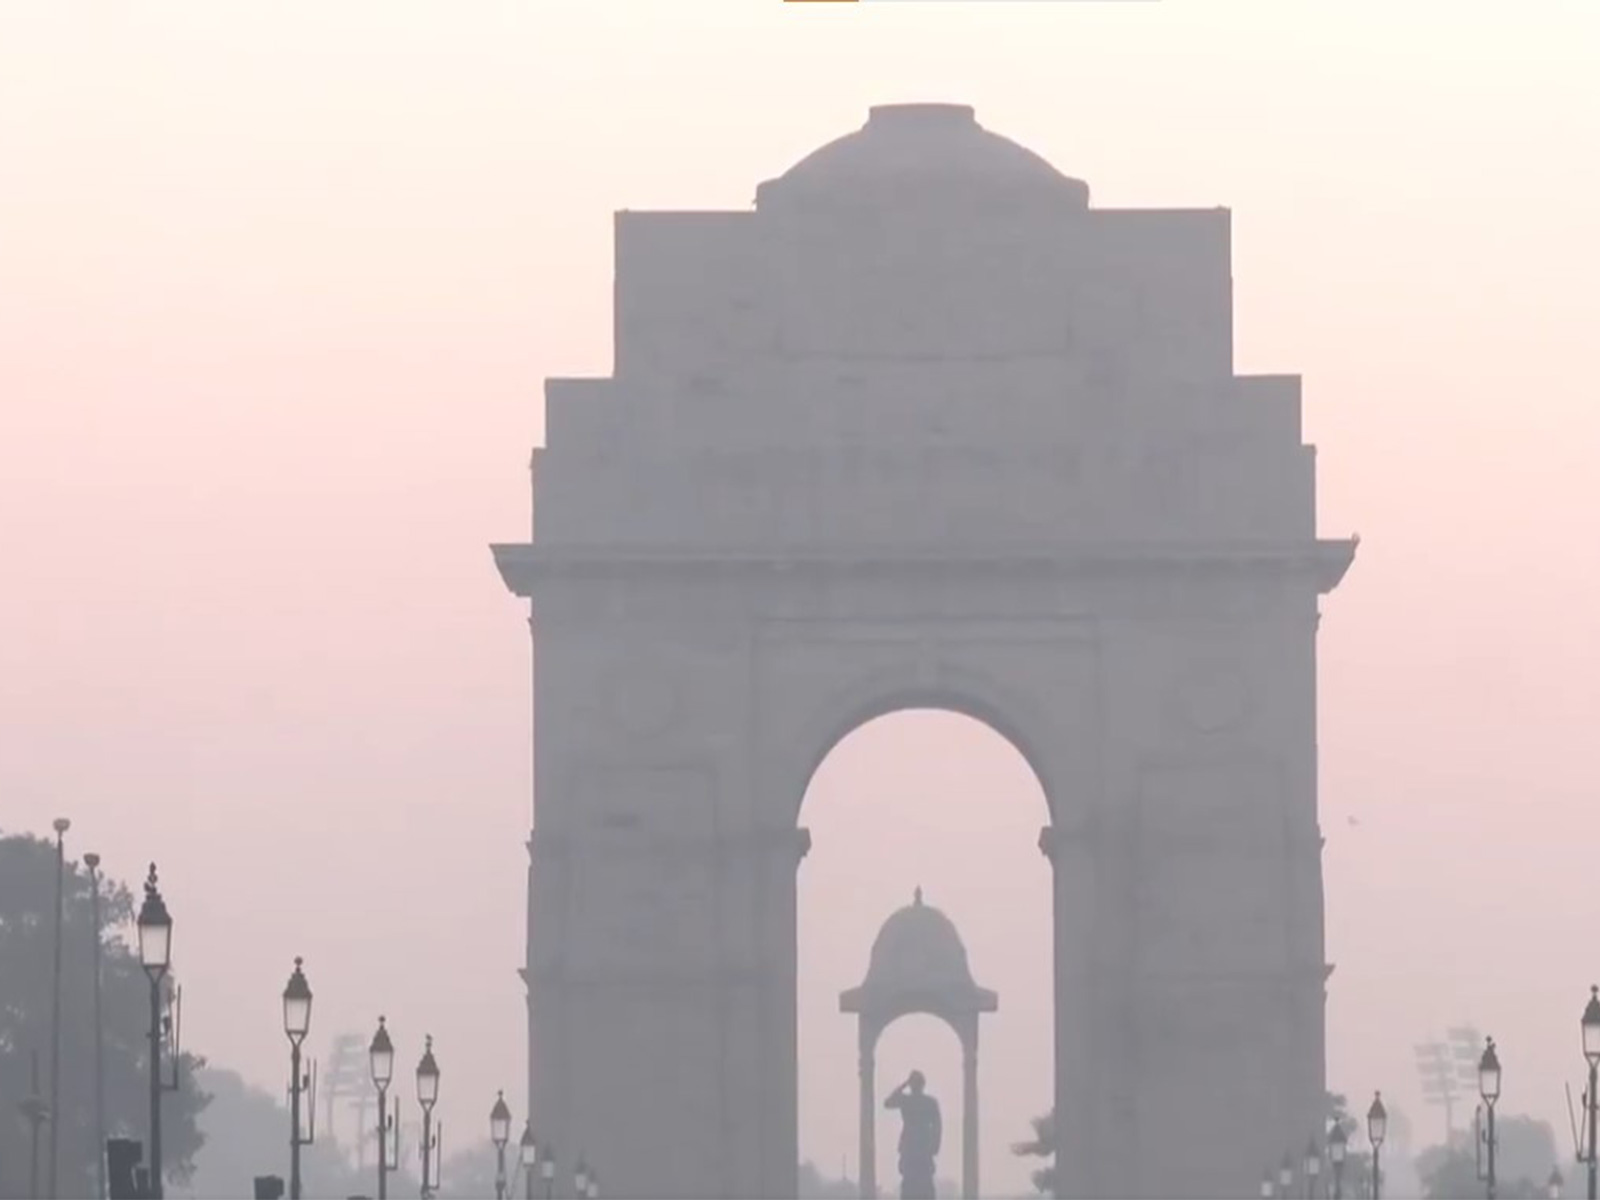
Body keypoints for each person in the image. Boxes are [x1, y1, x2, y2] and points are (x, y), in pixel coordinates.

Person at [885, 1069, 941, 1199]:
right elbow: (938, 1127)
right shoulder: (928, 1102)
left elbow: (889, 1102)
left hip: (915, 1147)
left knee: (914, 1185)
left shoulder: (908, 1101)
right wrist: (935, 1146)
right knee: (919, 1185)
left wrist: (903, 1085)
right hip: (918, 1147)